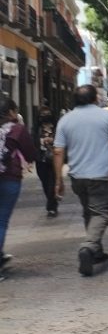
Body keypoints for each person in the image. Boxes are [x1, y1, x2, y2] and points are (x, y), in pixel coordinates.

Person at [52, 85, 108, 277]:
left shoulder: (65, 120)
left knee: (89, 212)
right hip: (100, 175)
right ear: (95, 98)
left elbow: (58, 151)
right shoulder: (107, 117)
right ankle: (88, 247)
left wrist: (58, 179)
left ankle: (97, 252)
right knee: (101, 214)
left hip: (77, 176)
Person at [0, 98, 38, 279]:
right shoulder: (17, 129)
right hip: (9, 178)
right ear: (12, 112)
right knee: (1, 221)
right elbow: (31, 153)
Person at [34, 106, 59, 217]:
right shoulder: (36, 129)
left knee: (53, 181)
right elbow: (32, 141)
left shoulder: (57, 128)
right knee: (45, 182)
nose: (45, 116)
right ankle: (52, 202)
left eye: (48, 113)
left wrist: (53, 140)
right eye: (43, 114)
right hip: (41, 159)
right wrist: (41, 141)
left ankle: (51, 206)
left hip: (54, 159)